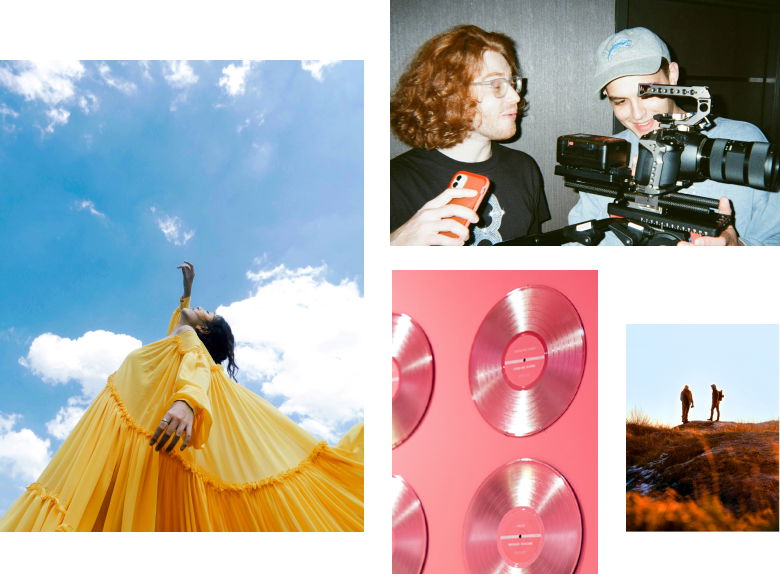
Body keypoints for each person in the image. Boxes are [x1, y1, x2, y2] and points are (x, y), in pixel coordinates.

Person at [0, 262, 363, 532]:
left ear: (202, 329)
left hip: (139, 437)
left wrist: (186, 402)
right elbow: (178, 325)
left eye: (205, 312)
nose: (200, 309)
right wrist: (187, 291)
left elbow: (198, 366)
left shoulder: (189, 348)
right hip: (123, 442)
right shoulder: (172, 344)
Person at [568, 26, 780, 246]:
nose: (637, 114)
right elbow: (578, 245)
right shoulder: (612, 154)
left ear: (672, 74)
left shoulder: (743, 140)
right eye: (620, 101)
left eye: (649, 93)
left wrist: (738, 250)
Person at [390, 25, 550, 245]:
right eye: (496, 85)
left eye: (512, 82)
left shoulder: (524, 168)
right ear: (449, 93)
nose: (515, 96)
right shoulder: (393, 183)